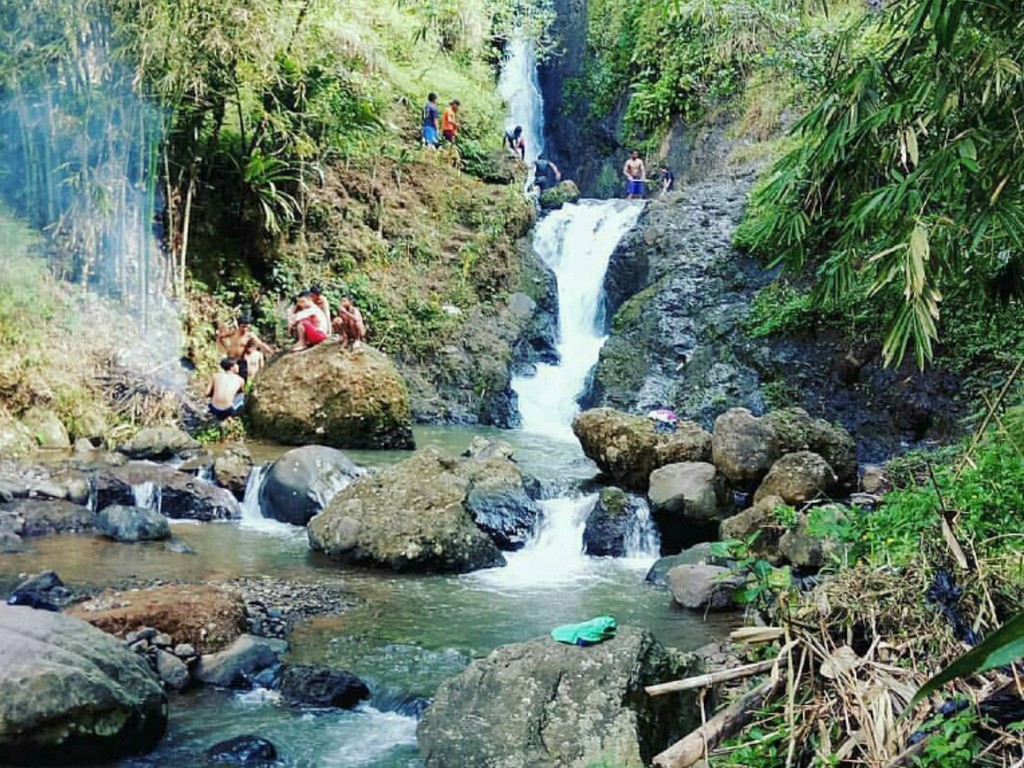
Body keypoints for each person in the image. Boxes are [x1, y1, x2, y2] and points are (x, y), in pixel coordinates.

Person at [216, 314, 274, 380]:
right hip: (230, 360)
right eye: (243, 327)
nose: (245, 329)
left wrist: (270, 351)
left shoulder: (250, 335)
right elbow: (220, 337)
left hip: (241, 361)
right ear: (239, 326)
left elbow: (260, 344)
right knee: (229, 380)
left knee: (242, 379)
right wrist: (225, 348)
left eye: (247, 327)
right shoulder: (233, 332)